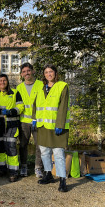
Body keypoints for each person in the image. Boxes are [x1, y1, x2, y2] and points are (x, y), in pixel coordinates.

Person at [33, 64, 70, 192]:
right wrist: (34, 119)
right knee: (44, 152)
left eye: (51, 72)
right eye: (46, 72)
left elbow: (63, 107)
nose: (49, 74)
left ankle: (62, 180)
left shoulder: (62, 86)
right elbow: (36, 105)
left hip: (56, 127)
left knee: (59, 154)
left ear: (55, 73)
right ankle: (48, 174)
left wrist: (60, 124)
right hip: (42, 126)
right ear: (44, 74)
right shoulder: (41, 88)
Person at [0, 74, 24, 182]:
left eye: (4, 80)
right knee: (0, 148)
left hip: (12, 125)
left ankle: (14, 172)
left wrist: (10, 112)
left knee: (11, 148)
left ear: (7, 82)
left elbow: (20, 107)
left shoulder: (15, 93)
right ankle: (2, 169)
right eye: (0, 80)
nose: (2, 82)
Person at [16, 63, 44, 178]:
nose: (26, 73)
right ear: (22, 74)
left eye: (28, 71)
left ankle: (38, 167)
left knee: (40, 145)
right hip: (24, 121)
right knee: (23, 145)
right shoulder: (19, 88)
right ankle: (23, 166)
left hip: (38, 120)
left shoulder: (41, 85)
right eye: (24, 72)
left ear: (33, 71)